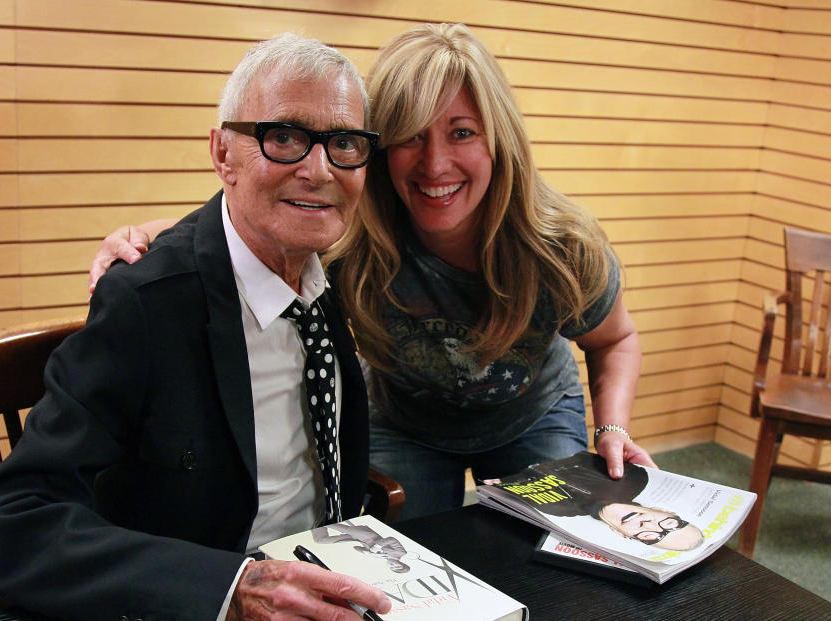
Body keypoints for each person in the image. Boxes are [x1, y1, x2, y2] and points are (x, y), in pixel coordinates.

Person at [89, 23, 656, 520]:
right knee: (395, 566)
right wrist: (145, 234)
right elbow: (245, 220)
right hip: (403, 421)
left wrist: (612, 430)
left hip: (530, 412)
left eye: (461, 132)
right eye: (410, 135)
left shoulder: (560, 246)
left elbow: (616, 340)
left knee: (557, 552)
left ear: (499, 141)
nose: (435, 164)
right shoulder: (350, 234)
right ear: (379, 149)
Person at [0, 33, 402, 621]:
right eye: (283, 137)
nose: (319, 168)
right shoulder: (145, 304)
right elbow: (7, 523)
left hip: (334, 597)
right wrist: (233, 593)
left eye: (345, 143)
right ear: (225, 152)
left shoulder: (328, 272)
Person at [483, 453, 704, 551]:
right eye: (668, 525)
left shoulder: (559, 514)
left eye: (650, 537)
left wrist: (511, 485)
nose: (647, 526)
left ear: (623, 535)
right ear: (664, 511)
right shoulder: (635, 479)